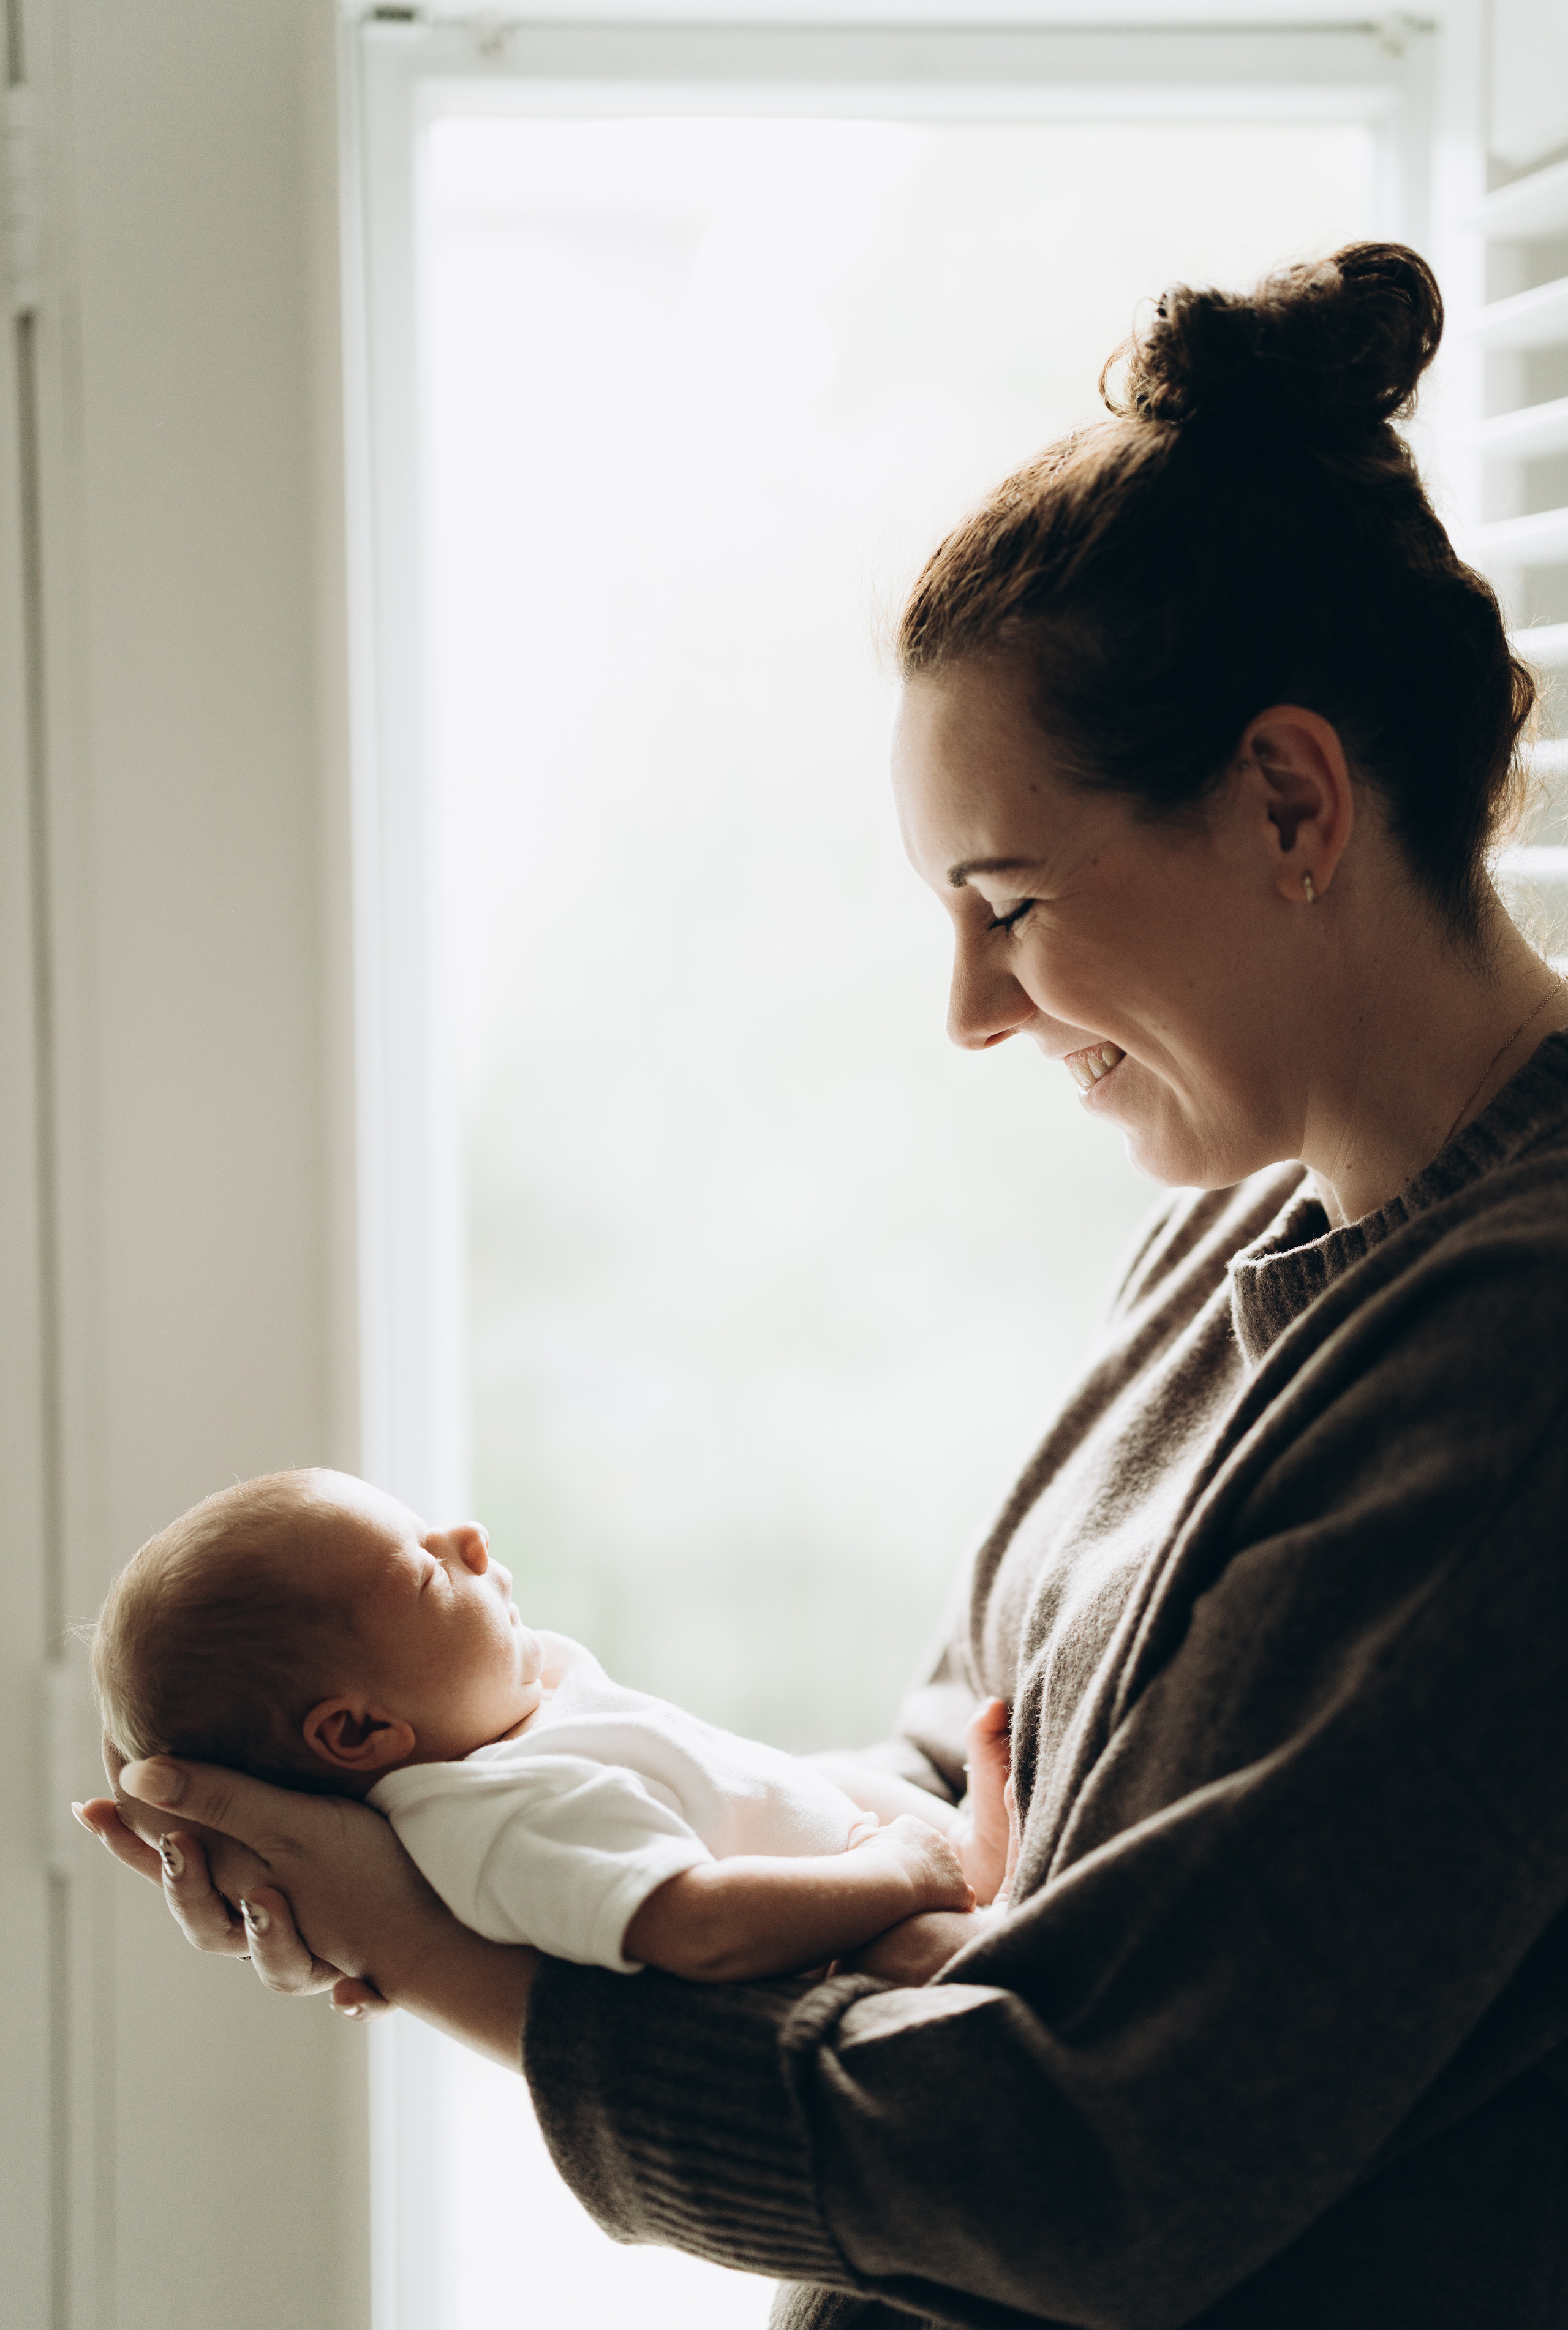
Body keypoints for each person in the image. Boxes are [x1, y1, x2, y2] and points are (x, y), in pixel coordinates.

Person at [81, 240, 1568, 2327]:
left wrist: (463, 1968)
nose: (967, 1008)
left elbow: (1097, 2161)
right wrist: (496, 1814)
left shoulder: (1524, 1360)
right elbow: (962, 1797)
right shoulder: (1236, 1235)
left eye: (1009, 902)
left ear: (1292, 801)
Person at [89, 1466, 1008, 1978]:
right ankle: (969, 1874)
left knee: (801, 1776)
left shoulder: (516, 1716)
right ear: (360, 1736)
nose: (468, 1541)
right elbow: (700, 1930)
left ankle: (976, 1856)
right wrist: (895, 1871)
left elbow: (737, 1784)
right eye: (422, 1573)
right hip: (859, 1956)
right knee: (952, 1955)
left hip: (869, 1865)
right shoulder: (499, 1820)